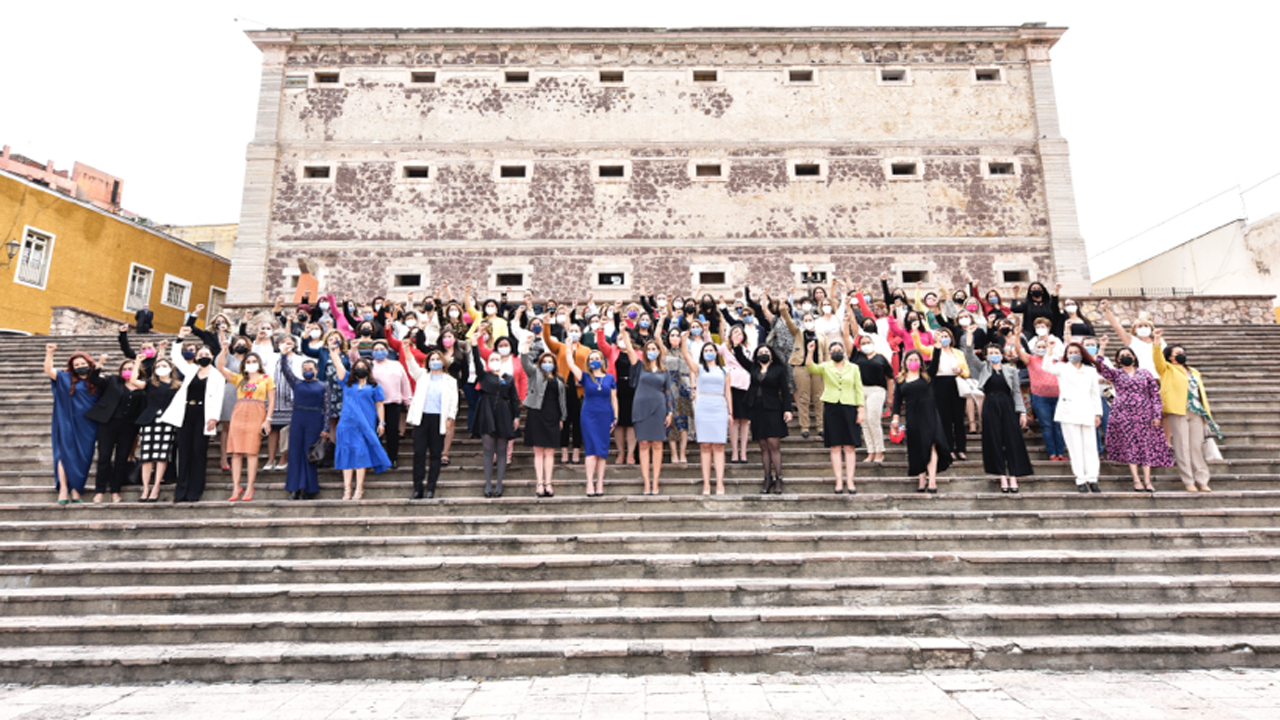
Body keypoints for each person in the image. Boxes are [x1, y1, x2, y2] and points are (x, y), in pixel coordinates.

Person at [1094, 341, 1174, 492]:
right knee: (1130, 445)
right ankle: (1136, 479)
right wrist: (1102, 348)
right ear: (1118, 359)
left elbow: (1155, 395)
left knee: (1146, 445)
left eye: (1128, 355)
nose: (1126, 357)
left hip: (1145, 412)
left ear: (1134, 357)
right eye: (1122, 356)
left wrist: (1157, 414)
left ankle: (1148, 480)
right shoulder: (1116, 374)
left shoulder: (1145, 373)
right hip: (1123, 413)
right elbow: (1099, 367)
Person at [1152, 330, 1220, 492]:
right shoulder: (1166, 369)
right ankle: (1188, 480)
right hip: (1177, 410)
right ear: (1170, 357)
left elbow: (1199, 392)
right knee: (1182, 446)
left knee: (1196, 446)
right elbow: (1157, 359)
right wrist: (1156, 339)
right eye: (1177, 353)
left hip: (1195, 411)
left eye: (1183, 352)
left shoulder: (1194, 372)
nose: (1181, 355)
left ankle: (1202, 480)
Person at [162, 332, 225, 503]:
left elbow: (219, 397)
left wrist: (214, 418)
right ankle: (181, 490)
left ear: (212, 357)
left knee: (198, 452)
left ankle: (195, 491)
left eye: (207, 354)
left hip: (204, 416)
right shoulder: (190, 370)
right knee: (183, 452)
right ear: (196, 357)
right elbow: (176, 357)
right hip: (185, 414)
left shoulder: (217, 376)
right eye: (201, 354)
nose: (203, 357)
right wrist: (179, 338)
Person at [215, 348, 276, 502]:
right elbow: (221, 367)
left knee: (252, 452)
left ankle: (250, 486)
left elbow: (272, 400)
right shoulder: (239, 378)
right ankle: (236, 486)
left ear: (259, 363)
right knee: (236, 453)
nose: (251, 364)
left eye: (254, 361)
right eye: (248, 362)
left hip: (257, 413)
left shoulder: (267, 378)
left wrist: (268, 419)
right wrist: (224, 349)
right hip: (239, 413)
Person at [1043, 342, 1104, 493]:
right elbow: (1046, 367)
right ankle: (1080, 479)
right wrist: (1049, 351)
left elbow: (1095, 393)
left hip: (1088, 410)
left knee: (1090, 446)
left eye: (1076, 351)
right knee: (1075, 447)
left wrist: (1098, 413)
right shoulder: (1062, 367)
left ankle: (1093, 478)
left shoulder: (1090, 370)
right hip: (1068, 411)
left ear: (1082, 353)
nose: (1073, 354)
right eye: (1070, 352)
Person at [806, 339, 865, 494]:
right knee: (835, 446)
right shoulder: (826, 367)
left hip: (849, 406)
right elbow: (811, 367)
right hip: (832, 407)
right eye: (834, 350)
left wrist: (860, 408)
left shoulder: (853, 368)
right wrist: (810, 351)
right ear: (830, 354)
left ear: (844, 352)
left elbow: (858, 388)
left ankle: (850, 480)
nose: (837, 352)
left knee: (850, 446)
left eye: (840, 349)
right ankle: (839, 480)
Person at [734, 344, 795, 494]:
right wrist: (736, 345)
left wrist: (788, 409)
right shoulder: (754, 368)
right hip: (757, 409)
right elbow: (741, 358)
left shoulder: (779, 369)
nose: (763, 354)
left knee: (773, 444)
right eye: (760, 352)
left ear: (772, 355)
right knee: (763, 445)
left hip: (773, 409)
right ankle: (767, 478)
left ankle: (779, 478)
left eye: (766, 352)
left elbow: (785, 391)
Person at [972, 344, 1033, 492]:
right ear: (986, 357)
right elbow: (970, 356)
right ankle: (1002, 476)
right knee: (994, 440)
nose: (994, 355)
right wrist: (969, 337)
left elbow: (1017, 392)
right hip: (990, 405)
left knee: (1012, 439)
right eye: (990, 353)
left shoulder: (1011, 370)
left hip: (1007, 404)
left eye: (996, 352)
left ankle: (1013, 476)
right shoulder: (984, 369)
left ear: (1002, 354)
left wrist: (1022, 412)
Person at [890, 348, 952, 493]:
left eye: (916, 359)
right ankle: (921, 478)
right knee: (916, 446)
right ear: (905, 362)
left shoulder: (927, 376)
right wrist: (895, 417)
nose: (913, 362)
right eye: (910, 359)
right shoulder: (900, 380)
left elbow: (935, 362)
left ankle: (932, 480)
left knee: (931, 445)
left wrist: (937, 347)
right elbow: (897, 400)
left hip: (928, 413)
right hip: (912, 415)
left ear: (921, 362)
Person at [45, 344, 100, 504]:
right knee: (64, 455)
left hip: (88, 425)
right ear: (72, 367)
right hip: (67, 421)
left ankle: (76, 489)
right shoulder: (65, 378)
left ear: (89, 364)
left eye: (82, 364)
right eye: (76, 365)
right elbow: (49, 370)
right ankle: (63, 489)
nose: (80, 367)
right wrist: (50, 353)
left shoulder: (96, 381)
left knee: (84, 457)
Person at [85, 358, 145, 504]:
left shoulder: (142, 386)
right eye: (125, 369)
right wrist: (99, 364)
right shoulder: (113, 381)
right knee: (104, 458)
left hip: (129, 427)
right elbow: (93, 379)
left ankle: (115, 491)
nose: (127, 371)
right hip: (108, 424)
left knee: (121, 459)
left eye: (131, 368)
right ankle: (99, 491)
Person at [621, 334, 674, 496]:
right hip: (640, 407)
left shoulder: (665, 371)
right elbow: (629, 349)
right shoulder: (638, 366)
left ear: (659, 351)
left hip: (659, 408)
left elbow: (668, 392)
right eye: (648, 349)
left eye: (654, 349)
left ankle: (655, 482)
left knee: (657, 445)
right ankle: (646, 482)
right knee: (643, 444)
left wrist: (670, 412)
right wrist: (623, 332)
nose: (651, 351)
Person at [333, 357, 391, 500]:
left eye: (363, 366)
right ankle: (347, 489)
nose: (360, 369)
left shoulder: (374, 386)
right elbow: (338, 365)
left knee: (360, 454)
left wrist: (382, 422)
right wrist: (333, 350)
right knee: (346, 454)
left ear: (368, 369)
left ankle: (359, 488)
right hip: (347, 423)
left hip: (365, 424)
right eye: (357, 366)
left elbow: (379, 405)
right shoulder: (347, 382)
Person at [404, 349, 459, 500]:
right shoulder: (422, 376)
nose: (435, 361)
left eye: (437, 358)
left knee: (436, 454)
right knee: (419, 453)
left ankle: (431, 488)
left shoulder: (450, 381)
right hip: (422, 418)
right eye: (432, 359)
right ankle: (418, 488)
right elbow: (411, 365)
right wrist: (406, 349)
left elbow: (454, 402)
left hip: (439, 419)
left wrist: (450, 419)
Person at [681, 334, 732, 495]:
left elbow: (728, 392)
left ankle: (719, 484)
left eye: (711, 349)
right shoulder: (699, 368)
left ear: (716, 353)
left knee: (719, 446)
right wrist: (683, 341)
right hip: (703, 406)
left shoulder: (725, 370)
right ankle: (706, 485)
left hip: (719, 406)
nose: (709, 352)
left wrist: (730, 412)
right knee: (704, 446)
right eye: (706, 350)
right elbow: (686, 356)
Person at [566, 346, 618, 497]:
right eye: (592, 359)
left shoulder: (610, 378)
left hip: (605, 414)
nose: (595, 361)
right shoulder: (585, 376)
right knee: (591, 449)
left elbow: (614, 399)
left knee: (602, 451)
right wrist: (569, 348)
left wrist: (615, 417)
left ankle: (600, 482)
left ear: (602, 361)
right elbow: (571, 364)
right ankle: (589, 482)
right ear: (588, 362)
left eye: (597, 358)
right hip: (589, 415)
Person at [913, 327, 971, 461]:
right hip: (940, 384)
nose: (945, 338)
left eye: (947, 335)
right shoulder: (934, 350)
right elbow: (918, 346)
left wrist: (960, 371)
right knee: (945, 419)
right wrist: (915, 331)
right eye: (942, 336)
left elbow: (967, 372)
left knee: (959, 419)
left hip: (956, 383)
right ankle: (949, 449)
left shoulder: (958, 353)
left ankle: (961, 450)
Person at [471, 344, 521, 498]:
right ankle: (488, 483)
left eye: (496, 359)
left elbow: (514, 399)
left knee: (501, 451)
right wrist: (474, 344)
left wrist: (516, 416)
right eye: (491, 359)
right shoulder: (485, 376)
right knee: (488, 450)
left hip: (504, 414)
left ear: (502, 361)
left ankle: (499, 483)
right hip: (487, 414)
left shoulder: (509, 378)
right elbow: (477, 361)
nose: (494, 361)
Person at [278, 348, 328, 499]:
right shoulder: (296, 383)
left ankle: (308, 488)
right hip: (298, 418)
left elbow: (327, 408)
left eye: (310, 369)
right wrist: (283, 354)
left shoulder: (323, 385)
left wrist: (326, 428)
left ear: (316, 370)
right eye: (305, 369)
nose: (307, 371)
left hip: (315, 419)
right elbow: (285, 369)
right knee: (294, 453)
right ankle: (294, 488)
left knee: (309, 453)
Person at [133, 357, 182, 502]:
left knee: (162, 456)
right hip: (150, 421)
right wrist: (137, 363)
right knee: (147, 456)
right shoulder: (150, 383)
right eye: (158, 366)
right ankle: (146, 487)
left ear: (171, 368)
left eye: (164, 365)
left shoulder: (178, 385)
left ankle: (156, 487)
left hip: (167, 422)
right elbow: (134, 382)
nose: (161, 367)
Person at [521, 349, 566, 497]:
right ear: (540, 364)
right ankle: (539, 482)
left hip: (553, 415)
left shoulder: (559, 380)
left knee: (550, 451)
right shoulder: (535, 374)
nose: (547, 364)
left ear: (554, 364)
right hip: (537, 414)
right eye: (544, 362)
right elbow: (525, 364)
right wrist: (525, 348)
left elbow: (562, 401)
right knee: (538, 451)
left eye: (550, 362)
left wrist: (562, 418)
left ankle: (548, 482)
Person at [1015, 336, 1067, 462]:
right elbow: (1018, 350)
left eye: (1044, 347)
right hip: (1040, 398)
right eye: (1039, 347)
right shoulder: (1031, 359)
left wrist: (1066, 331)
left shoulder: (1056, 360)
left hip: (1058, 397)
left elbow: (1069, 348)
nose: (1042, 349)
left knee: (1058, 426)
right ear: (1034, 349)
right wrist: (1017, 336)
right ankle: (1052, 454)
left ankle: (1061, 452)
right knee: (1047, 426)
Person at [365, 339, 412, 469]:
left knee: (392, 431)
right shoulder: (369, 365)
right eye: (376, 350)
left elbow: (405, 382)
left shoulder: (396, 364)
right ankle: (378, 459)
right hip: (374, 404)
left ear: (387, 350)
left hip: (393, 402)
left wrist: (408, 400)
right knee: (376, 432)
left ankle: (393, 458)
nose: (379, 352)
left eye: (382, 349)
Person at [848, 332, 893, 464]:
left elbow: (889, 378)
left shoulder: (881, 358)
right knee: (864, 422)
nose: (866, 345)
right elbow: (846, 337)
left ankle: (879, 451)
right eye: (863, 343)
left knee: (873, 419)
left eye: (868, 342)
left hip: (877, 389)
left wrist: (890, 396)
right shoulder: (857, 356)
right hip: (861, 389)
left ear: (873, 343)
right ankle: (871, 451)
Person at [785, 308, 826, 440]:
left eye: (810, 320)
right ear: (802, 323)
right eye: (806, 320)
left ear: (814, 322)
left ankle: (821, 426)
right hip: (801, 367)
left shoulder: (821, 336)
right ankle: (805, 427)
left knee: (819, 397)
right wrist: (782, 308)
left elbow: (825, 353)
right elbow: (788, 321)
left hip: (818, 368)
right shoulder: (798, 333)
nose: (808, 322)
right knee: (803, 398)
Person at [1100, 300, 1164, 376]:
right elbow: (1116, 326)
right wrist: (1105, 310)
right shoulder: (1132, 341)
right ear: (1135, 330)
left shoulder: (1160, 341)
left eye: (1146, 326)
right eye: (1140, 326)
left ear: (1151, 328)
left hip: (1161, 376)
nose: (1143, 328)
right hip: (1142, 378)